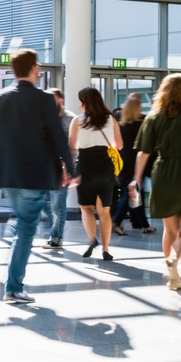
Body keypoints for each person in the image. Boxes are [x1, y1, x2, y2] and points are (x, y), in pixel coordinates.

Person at [0, 50, 74, 304]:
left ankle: (13, 281)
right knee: (25, 229)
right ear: (33, 69)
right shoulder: (44, 99)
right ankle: (13, 288)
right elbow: (57, 136)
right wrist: (70, 167)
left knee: (23, 223)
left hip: (9, 175)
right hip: (35, 174)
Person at [129, 73, 181, 290]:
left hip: (163, 173)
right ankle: (175, 258)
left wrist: (136, 179)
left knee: (170, 229)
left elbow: (143, 152)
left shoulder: (153, 117)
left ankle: (173, 274)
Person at [69, 87, 123, 262]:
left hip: (85, 164)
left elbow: (72, 147)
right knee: (104, 210)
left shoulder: (77, 120)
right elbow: (119, 145)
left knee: (86, 207)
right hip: (105, 165)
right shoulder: (110, 119)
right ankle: (106, 249)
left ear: (83, 102)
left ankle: (92, 239)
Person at [111, 95, 155, 236]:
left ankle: (143, 224)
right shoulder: (142, 124)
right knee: (131, 194)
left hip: (122, 164)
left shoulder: (120, 123)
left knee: (136, 194)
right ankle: (116, 222)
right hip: (136, 165)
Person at [42, 88, 75, 250]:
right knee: (42, 201)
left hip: (62, 167)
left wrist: (68, 167)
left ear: (61, 100)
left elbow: (73, 147)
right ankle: (55, 229)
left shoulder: (69, 119)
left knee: (57, 204)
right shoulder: (42, 117)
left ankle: (56, 236)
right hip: (43, 166)